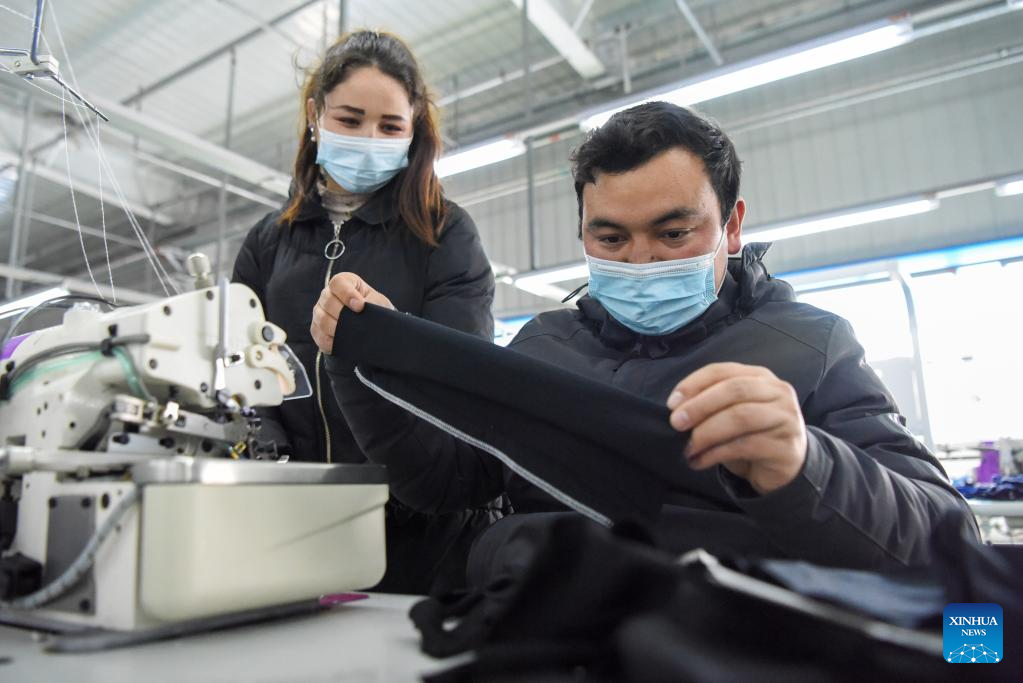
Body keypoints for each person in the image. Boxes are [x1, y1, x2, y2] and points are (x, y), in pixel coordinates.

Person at [310, 101, 976, 571]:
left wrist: (807, 465)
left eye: (674, 232)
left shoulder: (811, 347)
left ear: (731, 226)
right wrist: (358, 361)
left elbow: (948, 539)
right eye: (610, 238)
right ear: (582, 233)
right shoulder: (542, 345)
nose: (641, 261)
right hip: (547, 644)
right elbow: (444, 481)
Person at [232, 30, 501, 594]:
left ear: (413, 130)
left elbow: (458, 379)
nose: (369, 139)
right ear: (315, 115)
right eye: (350, 120)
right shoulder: (267, 243)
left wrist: (388, 342)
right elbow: (244, 367)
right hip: (300, 522)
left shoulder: (444, 232)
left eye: (390, 127)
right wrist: (270, 457)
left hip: (422, 532)